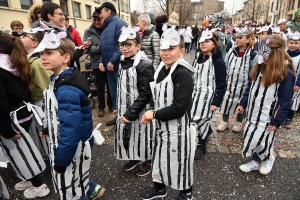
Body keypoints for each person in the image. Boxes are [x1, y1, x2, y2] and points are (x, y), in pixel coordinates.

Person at [37, 30, 105, 200]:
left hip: (72, 149)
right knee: (77, 182)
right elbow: (61, 114)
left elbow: (72, 130)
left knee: (72, 188)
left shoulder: (67, 89)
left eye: (49, 53)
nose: (43, 57)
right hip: (69, 146)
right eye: (41, 53)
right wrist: (48, 127)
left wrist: (61, 161)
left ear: (66, 57)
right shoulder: (60, 79)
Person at [140, 26, 195, 200]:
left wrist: (154, 114)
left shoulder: (183, 74)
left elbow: (180, 107)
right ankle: (159, 188)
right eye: (163, 48)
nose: (165, 53)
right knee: (159, 158)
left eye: (170, 49)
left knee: (179, 162)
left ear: (181, 51)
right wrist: (151, 109)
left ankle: (186, 192)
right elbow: (155, 96)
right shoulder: (161, 70)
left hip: (178, 130)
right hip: (162, 128)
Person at [0, 31, 50, 199]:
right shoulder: (15, 61)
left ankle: (39, 186)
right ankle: (30, 179)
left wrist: (7, 130)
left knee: (20, 154)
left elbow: (1, 104)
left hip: (12, 118)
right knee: (27, 149)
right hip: (24, 112)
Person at [237, 35, 295, 175]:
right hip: (253, 113)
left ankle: (268, 158)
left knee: (265, 139)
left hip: (268, 116)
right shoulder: (259, 68)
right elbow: (250, 88)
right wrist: (243, 103)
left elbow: (284, 100)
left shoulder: (285, 74)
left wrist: (277, 120)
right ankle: (256, 161)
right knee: (253, 136)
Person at [115, 26, 154, 177]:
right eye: (122, 45)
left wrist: (131, 113)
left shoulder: (144, 65)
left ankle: (149, 159)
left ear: (138, 46)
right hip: (127, 107)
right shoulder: (123, 61)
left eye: (128, 44)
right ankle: (136, 156)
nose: (124, 48)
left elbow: (145, 94)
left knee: (144, 135)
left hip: (140, 109)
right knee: (131, 135)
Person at [192, 30, 227, 160]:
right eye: (201, 41)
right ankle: (204, 134)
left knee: (204, 120)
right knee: (193, 118)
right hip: (195, 95)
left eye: (207, 41)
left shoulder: (218, 62)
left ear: (214, 45)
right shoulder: (197, 59)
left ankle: (201, 145)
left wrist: (216, 101)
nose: (203, 44)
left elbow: (221, 84)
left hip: (208, 97)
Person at [19, 27, 52, 156]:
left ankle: (51, 156)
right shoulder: (31, 61)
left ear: (34, 43)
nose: (21, 37)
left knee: (44, 131)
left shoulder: (37, 62)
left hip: (41, 105)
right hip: (39, 105)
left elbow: (43, 88)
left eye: (25, 36)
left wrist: (26, 89)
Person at [217, 28, 257, 133]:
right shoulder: (231, 51)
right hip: (230, 83)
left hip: (243, 86)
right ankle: (225, 121)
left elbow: (253, 71)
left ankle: (239, 121)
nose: (237, 39)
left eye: (241, 38)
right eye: (237, 37)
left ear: (248, 40)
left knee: (241, 103)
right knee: (225, 101)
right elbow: (226, 65)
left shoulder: (253, 55)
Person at [96, 2, 127, 126]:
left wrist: (112, 61)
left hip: (118, 66)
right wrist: (101, 62)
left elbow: (123, 46)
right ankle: (117, 116)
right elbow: (105, 48)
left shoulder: (120, 24)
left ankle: (126, 117)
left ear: (109, 12)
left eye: (101, 12)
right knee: (114, 94)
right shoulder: (106, 27)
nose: (100, 15)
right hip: (109, 68)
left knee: (123, 93)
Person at [83, 10, 113, 117]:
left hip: (109, 62)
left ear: (102, 19)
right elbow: (86, 49)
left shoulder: (108, 29)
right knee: (100, 87)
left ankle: (110, 105)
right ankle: (101, 107)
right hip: (96, 64)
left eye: (98, 19)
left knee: (110, 86)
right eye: (94, 19)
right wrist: (101, 48)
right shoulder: (88, 32)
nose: (96, 21)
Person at [284, 31, 300, 128]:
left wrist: (298, 84)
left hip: (295, 81)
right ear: (287, 43)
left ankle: (289, 117)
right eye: (291, 43)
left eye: (296, 43)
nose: (293, 45)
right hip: (285, 81)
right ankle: (281, 115)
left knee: (293, 100)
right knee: (284, 97)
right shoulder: (285, 54)